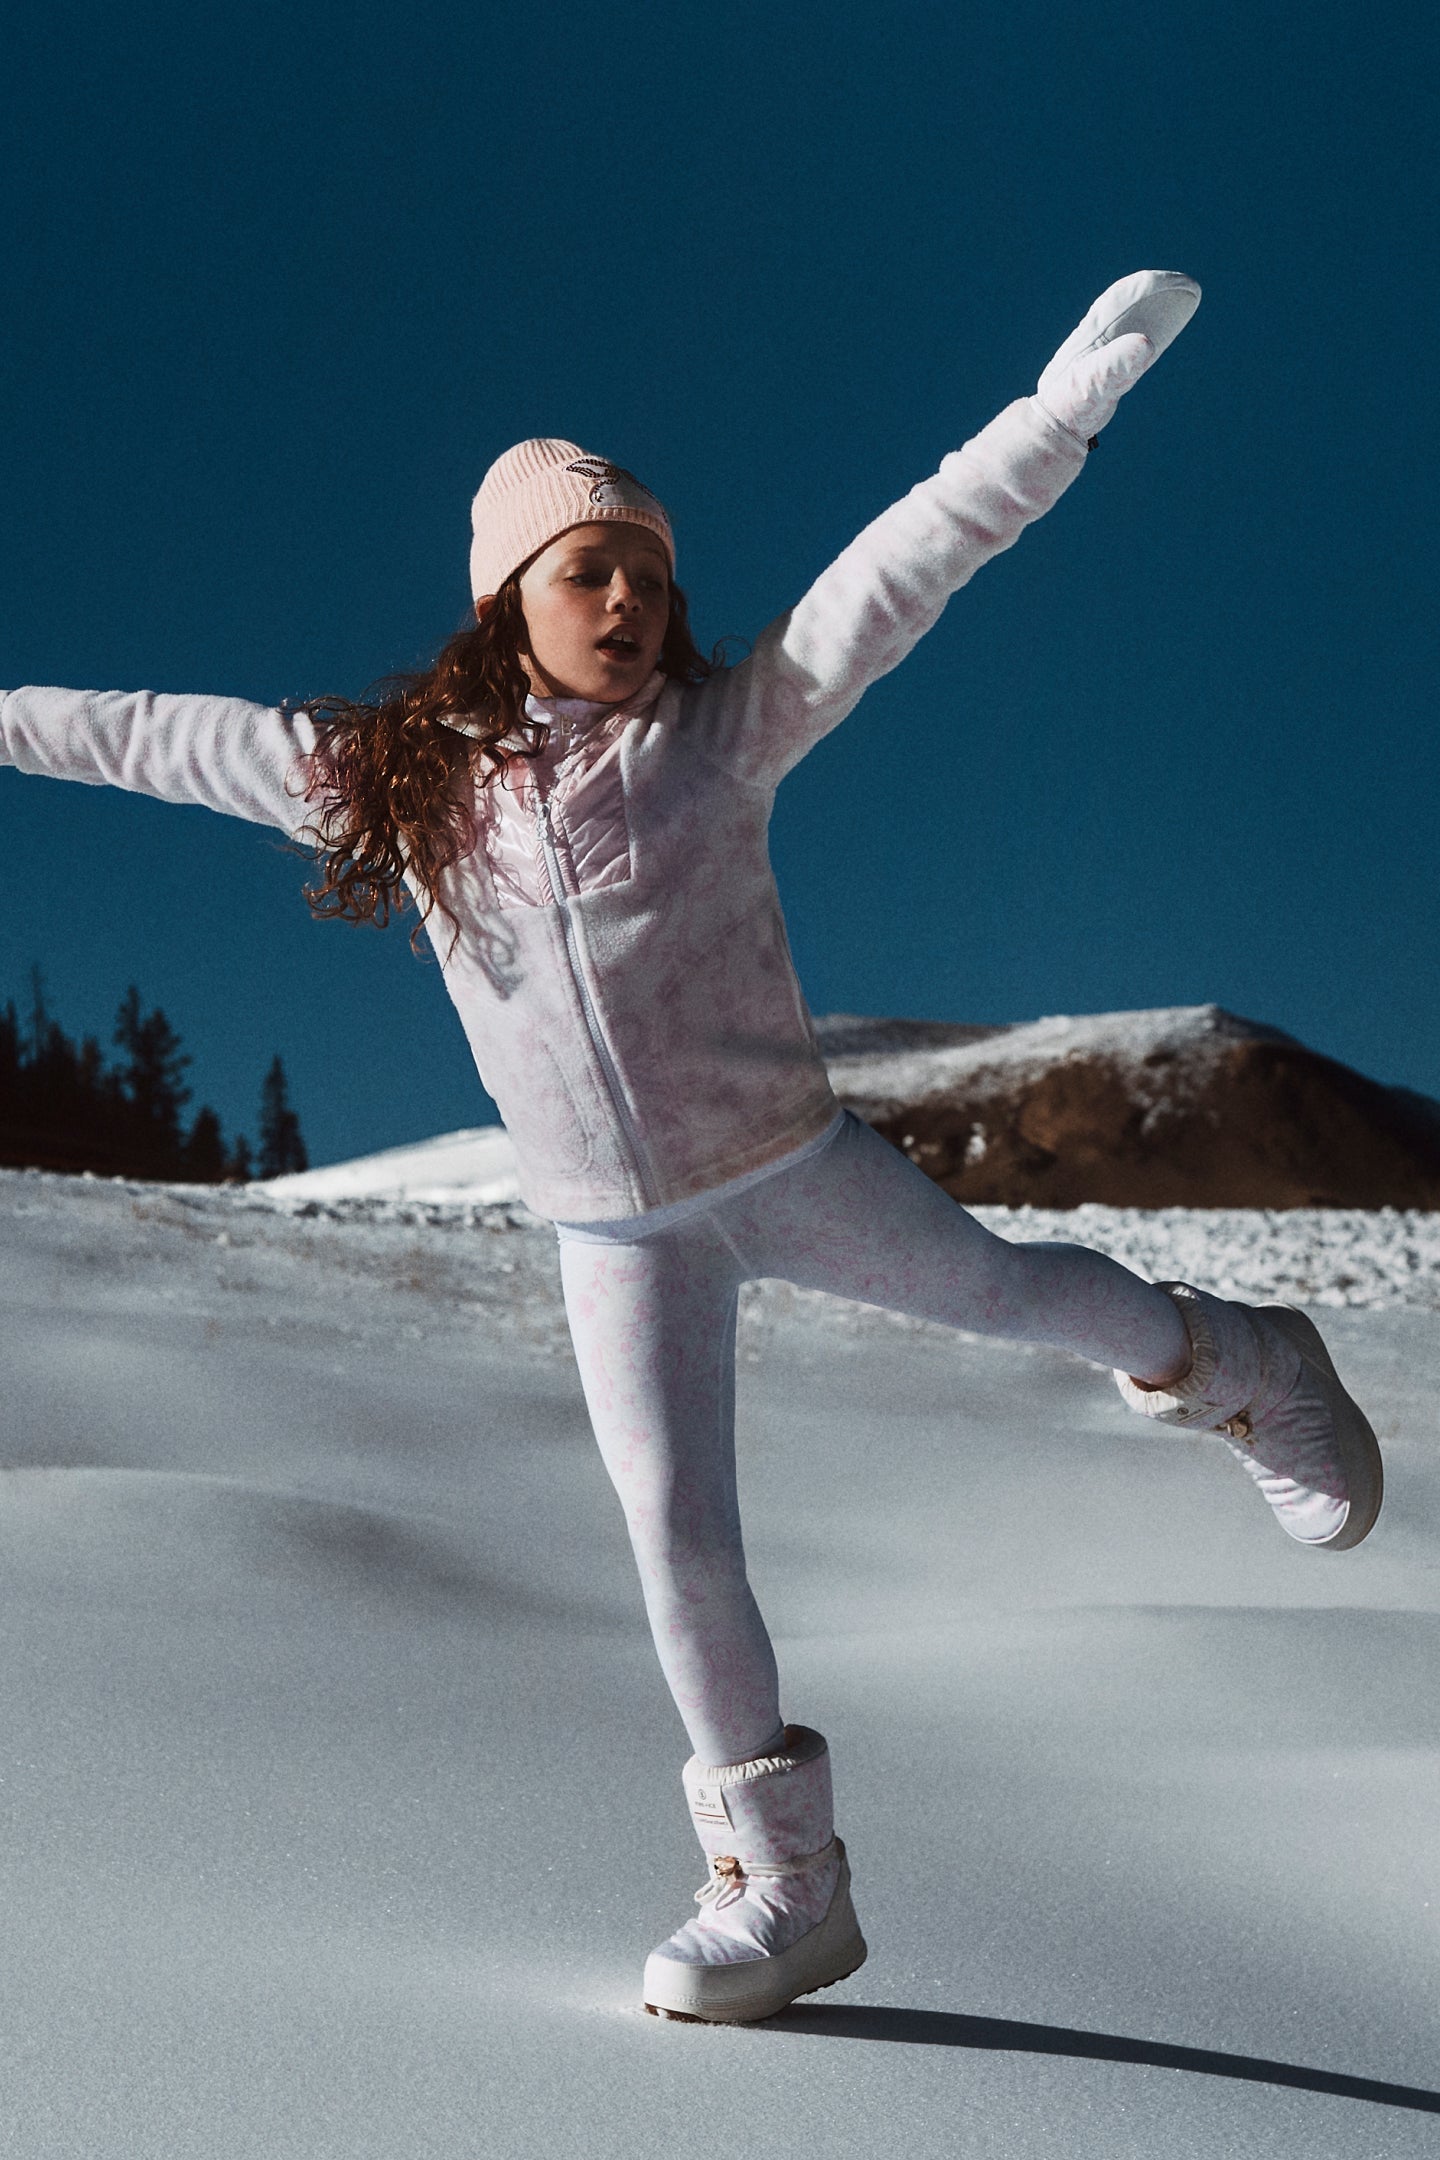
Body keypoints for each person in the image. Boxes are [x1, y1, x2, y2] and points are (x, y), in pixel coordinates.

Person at [0, 271, 1382, 2026]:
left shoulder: (721, 737)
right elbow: (141, 734)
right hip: (615, 1237)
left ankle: (1246, 1366)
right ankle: (786, 1883)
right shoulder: (398, 787)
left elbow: (902, 567)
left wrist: (1052, 422)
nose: (631, 601)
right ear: (507, 597)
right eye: (590, 571)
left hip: (787, 1161)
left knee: (1014, 1296)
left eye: (650, 576)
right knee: (677, 1541)